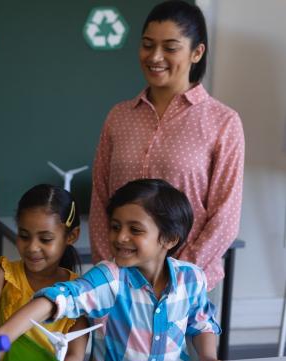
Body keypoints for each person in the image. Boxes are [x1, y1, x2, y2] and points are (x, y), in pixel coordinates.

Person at [0, 179, 230, 361]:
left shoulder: (191, 277)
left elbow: (202, 323)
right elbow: (59, 298)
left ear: (169, 239)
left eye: (135, 229)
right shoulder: (110, 278)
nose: (120, 237)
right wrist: (2, 338)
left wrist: (208, 357)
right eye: (115, 226)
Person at [89, 0, 245, 290]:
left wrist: (176, 274)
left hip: (187, 287)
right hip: (120, 282)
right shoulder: (119, 116)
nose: (155, 56)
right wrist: (107, 269)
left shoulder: (223, 122)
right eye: (147, 45)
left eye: (170, 47)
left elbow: (225, 216)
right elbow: (100, 198)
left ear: (197, 52)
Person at [0, 185, 87, 361]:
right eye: (24, 236)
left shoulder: (77, 294)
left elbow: (75, 357)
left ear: (71, 236)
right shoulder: (4, 272)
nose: (32, 247)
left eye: (45, 239)